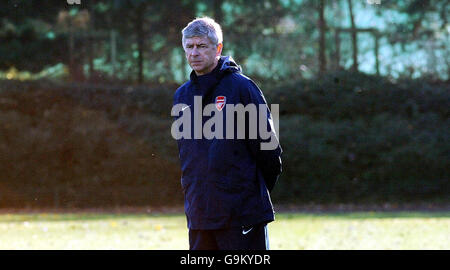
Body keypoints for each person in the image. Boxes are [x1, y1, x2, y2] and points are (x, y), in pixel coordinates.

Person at [172, 17, 282, 250]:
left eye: (201, 46)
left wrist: (247, 192)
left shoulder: (242, 88)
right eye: (189, 47)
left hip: (241, 214)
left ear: (218, 48)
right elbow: (189, 159)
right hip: (200, 215)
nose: (194, 53)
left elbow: (269, 151)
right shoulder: (182, 97)